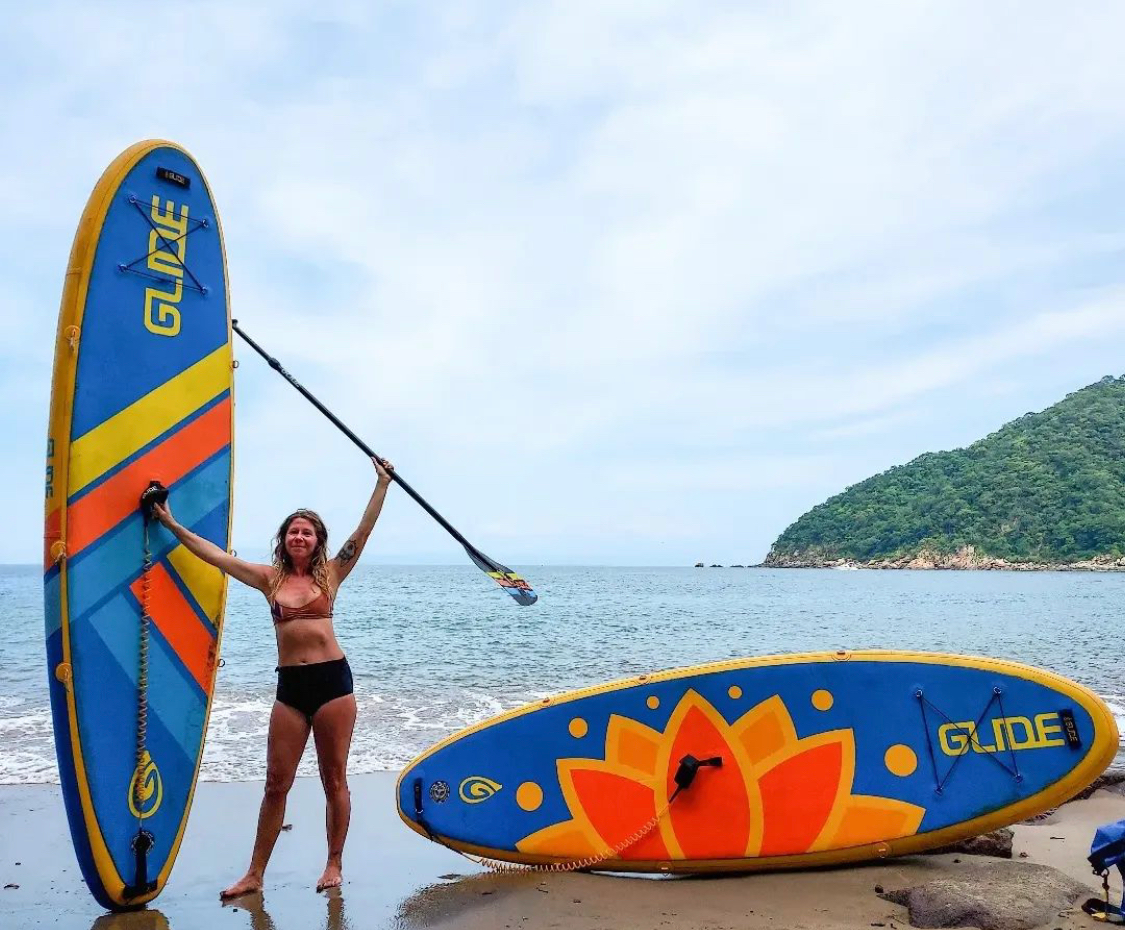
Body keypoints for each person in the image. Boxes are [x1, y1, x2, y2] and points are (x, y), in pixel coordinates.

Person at [152, 456, 394, 898]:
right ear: (283, 540)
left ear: (318, 541)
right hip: (291, 689)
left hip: (333, 685)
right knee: (274, 783)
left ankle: (334, 863)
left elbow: (363, 533)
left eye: (308, 531)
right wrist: (169, 523)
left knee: (333, 779)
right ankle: (254, 874)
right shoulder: (268, 579)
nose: (299, 536)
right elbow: (216, 556)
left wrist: (382, 485)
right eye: (293, 530)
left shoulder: (332, 573)